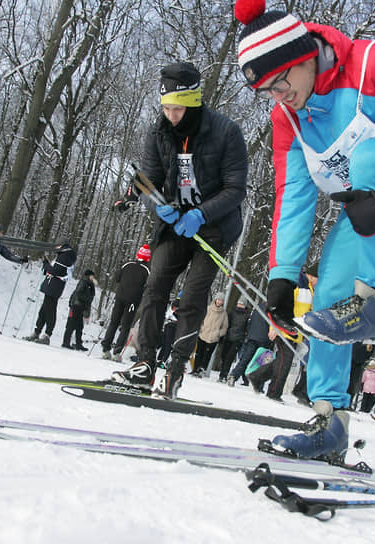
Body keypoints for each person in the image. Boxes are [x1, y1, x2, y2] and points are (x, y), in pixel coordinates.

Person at [234, 0, 375, 458]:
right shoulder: (289, 119)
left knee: (371, 158)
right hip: (367, 211)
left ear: (301, 55)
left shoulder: (374, 61)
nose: (278, 96)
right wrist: (281, 276)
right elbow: (294, 198)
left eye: (280, 81)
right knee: (327, 301)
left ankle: (373, 299)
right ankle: (330, 423)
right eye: (266, 90)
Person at [111, 61, 248, 398]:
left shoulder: (226, 132)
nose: (171, 114)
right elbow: (146, 182)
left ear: (194, 102)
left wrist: (200, 215)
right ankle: (144, 364)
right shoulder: (157, 132)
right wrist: (160, 207)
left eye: (178, 108)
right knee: (155, 285)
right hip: (172, 222)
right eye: (166, 107)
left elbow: (235, 189)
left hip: (213, 226)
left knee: (192, 296)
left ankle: (175, 370)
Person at [248, 267, 316, 401]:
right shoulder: (297, 283)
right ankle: (274, 393)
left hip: (295, 332)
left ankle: (257, 376)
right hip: (284, 328)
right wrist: (274, 327)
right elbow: (279, 303)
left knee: (281, 360)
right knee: (285, 362)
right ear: (312, 276)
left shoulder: (309, 289)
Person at [101, 244, 151, 360]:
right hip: (132, 301)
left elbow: (117, 278)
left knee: (114, 322)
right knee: (125, 326)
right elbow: (148, 286)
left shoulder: (127, 264)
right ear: (148, 258)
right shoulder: (147, 270)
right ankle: (117, 352)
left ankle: (105, 349)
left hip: (119, 297)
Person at [24, 241, 77, 344]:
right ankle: (37, 331)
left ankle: (47, 335)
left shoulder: (65, 257)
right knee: (44, 310)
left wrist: (45, 264)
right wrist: (47, 265)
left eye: (57, 246)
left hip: (54, 286)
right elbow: (53, 270)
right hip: (52, 285)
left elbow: (56, 271)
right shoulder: (63, 256)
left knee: (50, 311)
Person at [227, 303, 273, 387]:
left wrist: (249, 334)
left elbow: (251, 321)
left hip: (252, 337)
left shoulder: (259, 306)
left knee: (245, 359)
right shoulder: (273, 308)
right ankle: (259, 384)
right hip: (265, 338)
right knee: (262, 362)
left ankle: (233, 375)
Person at [191, 298, 229, 376]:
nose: (219, 302)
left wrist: (218, 333)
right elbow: (201, 319)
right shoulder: (208, 308)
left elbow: (225, 326)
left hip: (213, 338)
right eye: (218, 300)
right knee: (199, 353)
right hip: (203, 334)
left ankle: (202, 370)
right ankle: (195, 369)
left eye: (221, 300)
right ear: (215, 300)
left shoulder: (224, 313)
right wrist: (201, 329)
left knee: (207, 355)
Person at [62, 269, 96, 350]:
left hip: (81, 307)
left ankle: (78, 344)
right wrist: (86, 299)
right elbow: (79, 293)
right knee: (71, 325)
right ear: (88, 276)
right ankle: (66, 342)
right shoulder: (83, 282)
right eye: (92, 276)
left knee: (79, 327)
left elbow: (90, 295)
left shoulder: (89, 284)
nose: (93, 278)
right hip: (76, 306)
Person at [218, 300, 250, 382]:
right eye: (239, 303)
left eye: (242, 304)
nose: (240, 305)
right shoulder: (232, 312)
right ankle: (221, 374)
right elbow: (227, 324)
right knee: (224, 356)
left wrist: (243, 338)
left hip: (238, 339)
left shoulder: (247, 315)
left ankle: (224, 375)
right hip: (228, 337)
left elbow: (247, 327)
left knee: (229, 357)